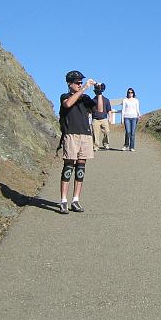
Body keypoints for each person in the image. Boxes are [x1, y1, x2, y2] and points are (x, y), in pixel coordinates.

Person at [58, 70, 96, 214]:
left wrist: (98, 94)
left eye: (81, 82)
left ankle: (75, 200)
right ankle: (63, 201)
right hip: (71, 135)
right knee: (69, 166)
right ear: (69, 83)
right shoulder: (65, 96)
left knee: (81, 168)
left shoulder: (85, 98)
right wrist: (85, 88)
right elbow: (68, 105)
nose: (80, 84)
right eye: (77, 82)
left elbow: (98, 111)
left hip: (85, 135)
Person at [91, 83, 112, 151]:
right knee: (95, 134)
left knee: (107, 132)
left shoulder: (106, 100)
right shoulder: (93, 100)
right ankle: (96, 146)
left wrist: (110, 117)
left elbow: (109, 110)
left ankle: (106, 144)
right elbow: (90, 111)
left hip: (104, 119)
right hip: (95, 119)